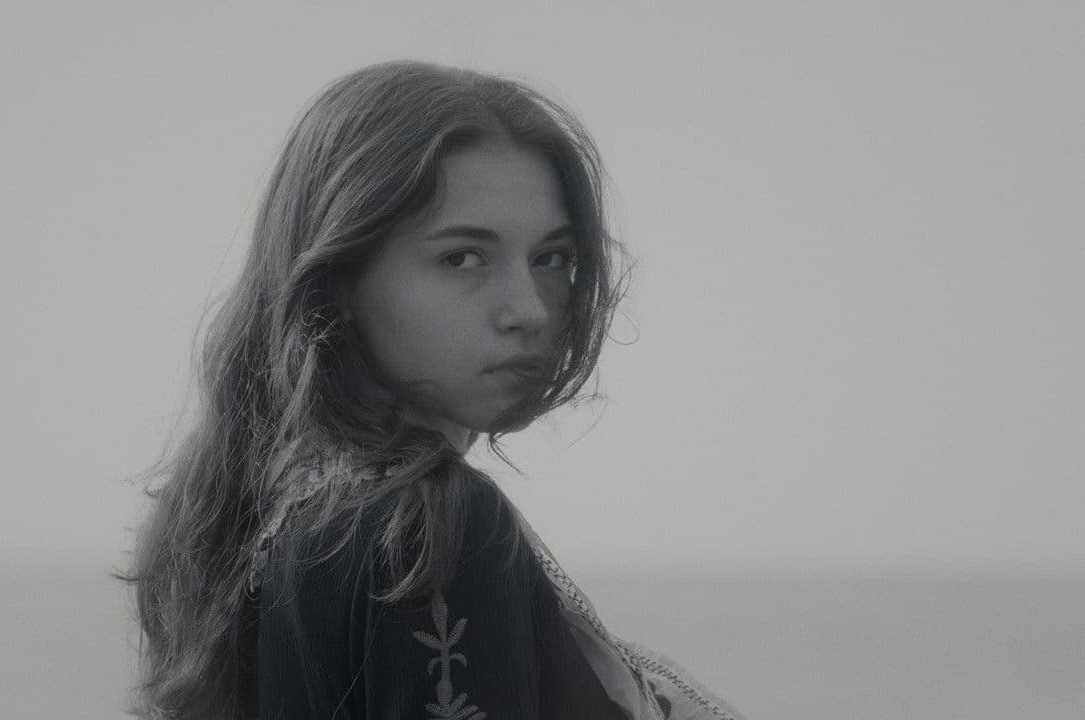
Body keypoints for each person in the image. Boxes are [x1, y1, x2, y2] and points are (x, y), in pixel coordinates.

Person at [119, 60, 746, 720]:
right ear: (340, 275)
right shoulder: (429, 527)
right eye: (462, 258)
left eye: (551, 259)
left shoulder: (256, 506)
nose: (529, 308)